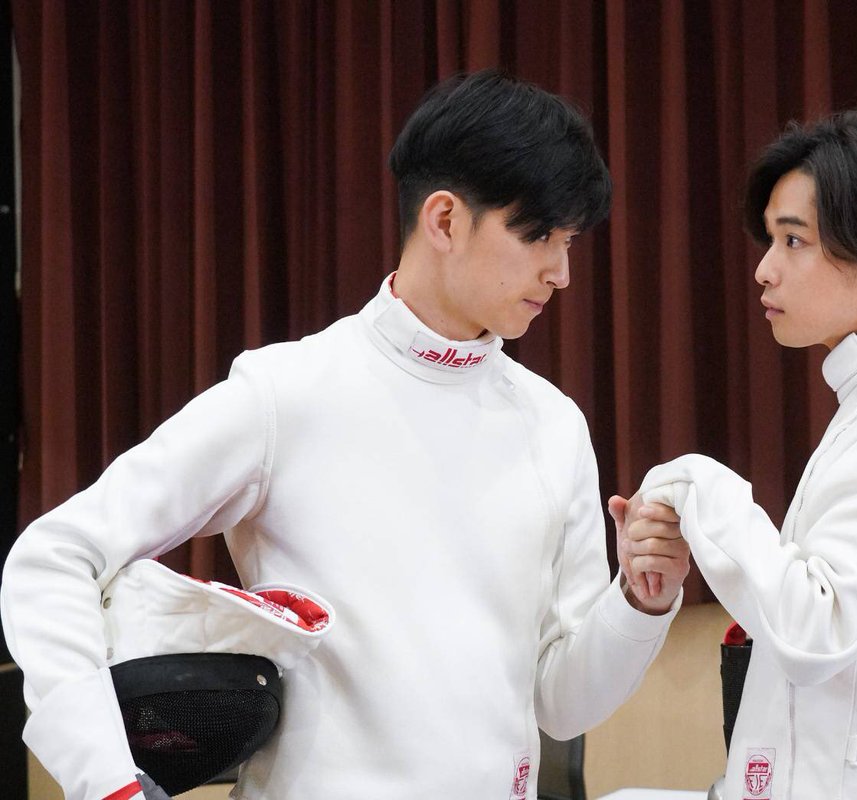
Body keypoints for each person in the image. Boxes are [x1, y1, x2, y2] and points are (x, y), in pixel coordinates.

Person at [1, 70, 691, 800]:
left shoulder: (553, 424)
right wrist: (106, 781)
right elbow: (53, 557)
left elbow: (563, 704)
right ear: (446, 221)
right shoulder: (285, 394)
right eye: (541, 237)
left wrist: (639, 602)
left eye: (570, 241)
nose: (561, 273)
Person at [621, 110, 857, 798]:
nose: (764, 270)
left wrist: (695, 484)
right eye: (771, 240)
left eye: (794, 240)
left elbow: (816, 631)